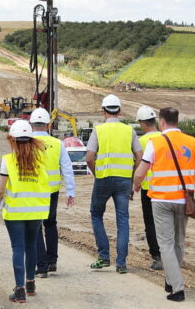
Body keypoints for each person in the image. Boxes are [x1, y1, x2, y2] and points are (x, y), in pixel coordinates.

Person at [132, 107, 195, 302]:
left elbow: (141, 171)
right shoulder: (192, 143)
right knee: (178, 242)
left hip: (160, 200)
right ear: (177, 121)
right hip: (184, 200)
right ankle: (170, 278)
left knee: (166, 244)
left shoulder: (155, 142)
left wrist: (135, 184)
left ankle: (177, 288)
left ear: (161, 122)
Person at [0, 120, 50, 303]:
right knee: (31, 245)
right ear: (32, 140)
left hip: (16, 211)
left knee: (18, 248)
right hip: (36, 211)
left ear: (12, 139)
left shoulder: (8, 160)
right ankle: (31, 283)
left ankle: (19, 290)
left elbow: (0, 189)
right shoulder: (41, 158)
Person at [85, 94, 143, 274]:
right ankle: (121, 263)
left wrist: (97, 175)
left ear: (103, 111)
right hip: (124, 180)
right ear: (119, 110)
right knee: (123, 220)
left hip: (103, 179)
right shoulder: (129, 131)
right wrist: (132, 178)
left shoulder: (98, 130)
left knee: (96, 214)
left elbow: (89, 158)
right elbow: (140, 157)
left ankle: (103, 257)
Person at [28, 108, 76, 279]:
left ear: (31, 124)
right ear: (48, 125)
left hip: (34, 191)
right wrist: (70, 191)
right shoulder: (57, 143)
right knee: (50, 224)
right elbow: (67, 168)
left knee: (35, 227)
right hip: (53, 191)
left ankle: (41, 267)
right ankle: (52, 261)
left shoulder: (27, 142)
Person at [136, 106, 163, 270]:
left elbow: (138, 164)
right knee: (166, 222)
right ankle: (171, 255)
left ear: (142, 123)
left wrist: (135, 184)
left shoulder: (141, 142)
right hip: (166, 187)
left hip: (148, 189)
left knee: (151, 223)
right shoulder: (165, 138)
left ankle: (157, 257)